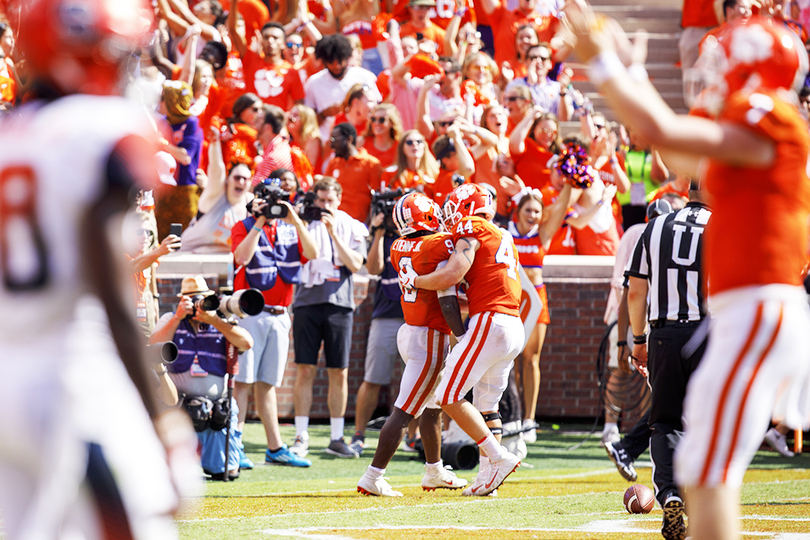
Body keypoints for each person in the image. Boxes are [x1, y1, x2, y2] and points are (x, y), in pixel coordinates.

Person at [566, 8, 810, 540]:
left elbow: (661, 128)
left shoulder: (770, 117)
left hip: (759, 308)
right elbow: (671, 146)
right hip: (740, 312)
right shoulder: (752, 125)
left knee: (705, 466)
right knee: (702, 464)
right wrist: (633, 77)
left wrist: (609, 67)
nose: (712, 71)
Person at [0, 1, 199, 538]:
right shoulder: (100, 126)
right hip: (71, 377)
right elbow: (110, 289)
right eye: (117, 53)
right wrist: (163, 422)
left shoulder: (10, 136)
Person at [399, 183, 524, 497]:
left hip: (491, 321)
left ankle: (498, 457)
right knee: (487, 407)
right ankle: (488, 479)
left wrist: (415, 280)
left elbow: (452, 274)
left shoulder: (472, 227)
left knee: (448, 395)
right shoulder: (503, 233)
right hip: (512, 324)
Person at [357, 192, 468, 496]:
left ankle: (434, 471)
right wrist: (463, 336)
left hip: (412, 329)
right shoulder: (438, 243)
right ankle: (373, 475)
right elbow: (447, 292)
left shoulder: (397, 245)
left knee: (432, 407)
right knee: (405, 411)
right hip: (430, 335)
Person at [625, 183, 710, 540]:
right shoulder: (720, 225)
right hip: (709, 333)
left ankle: (669, 492)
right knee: (708, 423)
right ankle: (704, 507)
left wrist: (639, 338)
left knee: (664, 422)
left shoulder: (656, 226)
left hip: (663, 335)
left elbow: (636, 291)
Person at [231, 176, 319, 468]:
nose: (272, 206)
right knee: (242, 382)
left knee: (267, 384)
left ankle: (275, 447)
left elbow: (313, 253)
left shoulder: (289, 229)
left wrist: (293, 218)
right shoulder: (242, 226)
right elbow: (241, 257)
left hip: (281, 314)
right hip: (250, 313)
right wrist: (258, 221)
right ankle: (235, 444)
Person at [291, 177, 369, 458]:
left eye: (330, 201)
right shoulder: (302, 221)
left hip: (339, 303)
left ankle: (337, 437)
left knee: (339, 371)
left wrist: (334, 233)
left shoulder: (350, 224)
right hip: (306, 302)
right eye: (320, 201)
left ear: (339, 199)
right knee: (304, 368)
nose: (325, 206)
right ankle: (301, 435)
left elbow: (357, 264)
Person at [150, 276, 254, 480]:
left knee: (228, 472)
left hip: (216, 408)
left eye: (203, 299)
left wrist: (214, 320)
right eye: (193, 299)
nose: (199, 304)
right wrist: (177, 317)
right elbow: (153, 345)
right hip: (178, 405)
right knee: (172, 475)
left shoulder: (222, 321)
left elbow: (247, 343)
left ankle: (220, 460)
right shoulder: (171, 318)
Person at [507, 184, 574, 441]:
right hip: (511, 299)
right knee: (509, 358)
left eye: (537, 211)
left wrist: (570, 178)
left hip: (536, 300)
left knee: (531, 359)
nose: (533, 215)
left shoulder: (542, 234)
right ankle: (511, 415)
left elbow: (560, 208)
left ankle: (529, 420)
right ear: (518, 210)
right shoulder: (506, 233)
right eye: (528, 209)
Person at [349, 203, 407, 456]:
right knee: (373, 378)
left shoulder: (421, 237)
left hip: (415, 318)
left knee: (417, 381)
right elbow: (372, 269)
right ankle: (358, 434)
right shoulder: (383, 239)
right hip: (386, 315)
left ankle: (413, 437)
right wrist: (379, 233)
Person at [180, 128, 252, 252]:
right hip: (188, 260)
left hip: (222, 266)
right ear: (227, 180)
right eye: (237, 177)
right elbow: (216, 169)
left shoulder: (250, 204)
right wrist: (215, 142)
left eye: (245, 179)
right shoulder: (215, 197)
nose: (240, 182)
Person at [304, 34, 381, 141]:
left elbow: (379, 110)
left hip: (363, 141)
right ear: (324, 60)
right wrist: (324, 114)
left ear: (347, 56)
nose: (336, 65)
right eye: (331, 61)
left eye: (340, 60)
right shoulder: (313, 83)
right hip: (328, 144)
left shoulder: (365, 76)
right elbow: (306, 124)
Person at [324, 122, 384, 223]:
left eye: (334, 140)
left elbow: (377, 199)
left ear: (349, 139)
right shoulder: (333, 163)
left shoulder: (371, 164)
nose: (331, 144)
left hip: (359, 226)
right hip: (334, 223)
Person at [505, 43, 571, 121]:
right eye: (533, 58)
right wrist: (530, 83)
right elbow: (510, 113)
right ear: (526, 62)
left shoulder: (557, 87)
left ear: (550, 63)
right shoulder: (515, 85)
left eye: (543, 58)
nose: (538, 61)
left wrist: (563, 92)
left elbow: (564, 119)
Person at [363, 103, 404, 169]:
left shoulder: (400, 146)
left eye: (382, 120)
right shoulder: (361, 142)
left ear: (391, 123)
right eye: (373, 119)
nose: (376, 123)